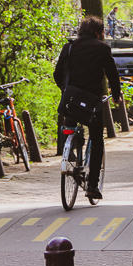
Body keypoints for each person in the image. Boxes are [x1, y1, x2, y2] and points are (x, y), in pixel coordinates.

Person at [53, 16, 121, 200]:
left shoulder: (69, 47)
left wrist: (66, 90)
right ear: (98, 33)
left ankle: (70, 150)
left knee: (69, 122)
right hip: (91, 103)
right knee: (97, 138)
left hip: (71, 99)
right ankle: (92, 185)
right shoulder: (102, 48)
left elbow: (58, 74)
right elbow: (112, 74)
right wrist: (116, 95)